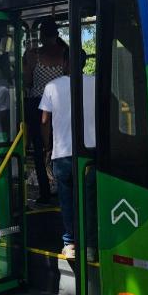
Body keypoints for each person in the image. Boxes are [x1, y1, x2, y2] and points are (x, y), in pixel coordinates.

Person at [38, 55, 96, 259]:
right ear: (84, 63)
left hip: (62, 153)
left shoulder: (52, 87)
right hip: (90, 153)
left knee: (67, 200)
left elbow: (45, 120)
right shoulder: (95, 82)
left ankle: (70, 244)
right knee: (89, 200)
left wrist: (47, 146)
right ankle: (90, 246)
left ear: (64, 63)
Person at [23, 16, 67, 204]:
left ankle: (44, 190)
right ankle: (62, 185)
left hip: (37, 105)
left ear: (41, 35)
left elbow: (27, 81)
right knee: (60, 146)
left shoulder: (33, 55)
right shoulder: (66, 53)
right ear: (56, 34)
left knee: (40, 150)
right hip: (60, 104)